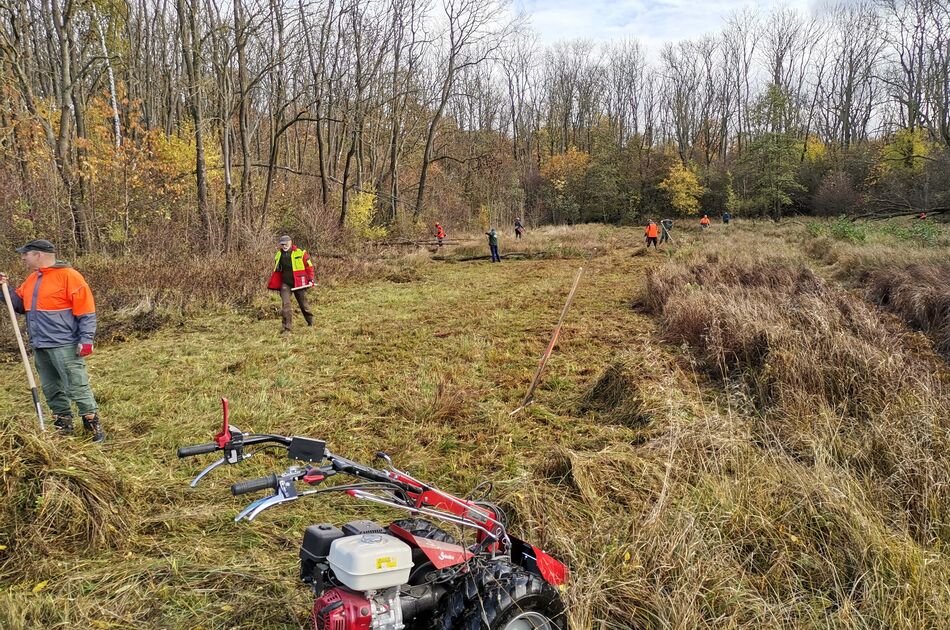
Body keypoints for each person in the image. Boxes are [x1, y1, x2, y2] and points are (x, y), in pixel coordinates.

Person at [0, 239, 104, 441]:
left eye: (26, 254)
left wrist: (86, 339)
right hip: (40, 343)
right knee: (51, 387)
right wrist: (4, 289)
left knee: (76, 384)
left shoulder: (70, 276)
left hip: (64, 343)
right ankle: (63, 424)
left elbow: (86, 312)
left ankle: (92, 424)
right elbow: (19, 305)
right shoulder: (32, 278)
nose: (23, 258)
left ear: (38, 254)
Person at [267, 235, 315, 333]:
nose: (284, 246)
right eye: (282, 244)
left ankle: (310, 321)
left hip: (299, 283)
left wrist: (311, 279)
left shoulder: (300, 253)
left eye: (286, 244)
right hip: (285, 284)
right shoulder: (278, 255)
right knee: (286, 305)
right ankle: (287, 328)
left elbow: (309, 267)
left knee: (303, 305)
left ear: (290, 242)